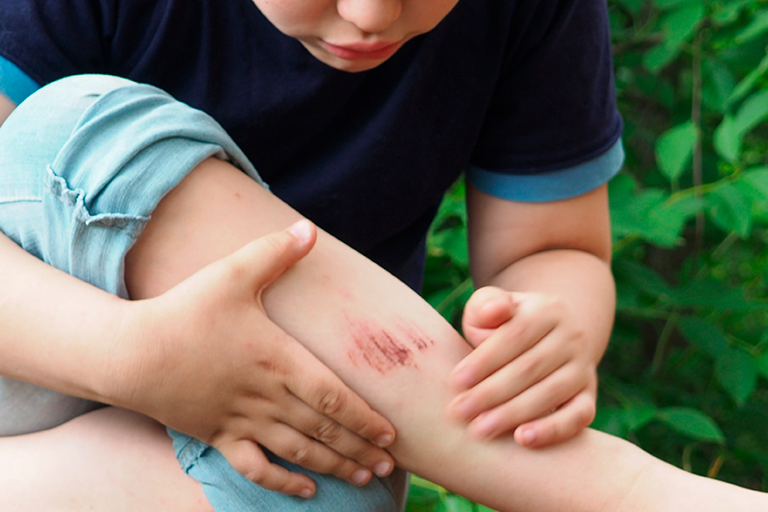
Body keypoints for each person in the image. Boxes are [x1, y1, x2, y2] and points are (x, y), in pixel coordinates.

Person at [2, 75, 768, 512]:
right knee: (86, 138)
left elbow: (553, 247)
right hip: (43, 349)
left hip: (247, 422)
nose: (368, 15)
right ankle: (626, 495)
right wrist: (126, 355)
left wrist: (555, 321)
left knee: (338, 481)